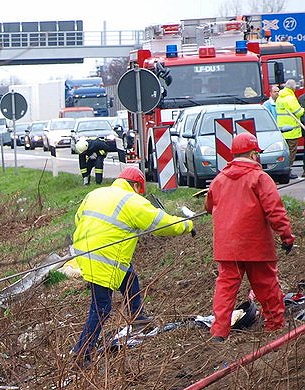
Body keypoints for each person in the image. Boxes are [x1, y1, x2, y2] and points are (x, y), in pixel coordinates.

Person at [70, 166, 195, 362]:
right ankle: (82, 351)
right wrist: (187, 225)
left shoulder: (96, 193)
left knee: (129, 276)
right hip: (104, 257)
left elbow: (79, 219)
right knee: (102, 307)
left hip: (84, 252)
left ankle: (138, 316)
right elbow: (161, 224)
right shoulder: (132, 201)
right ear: (136, 185)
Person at [204, 132, 295, 342]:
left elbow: (209, 206)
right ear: (254, 154)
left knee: (225, 290)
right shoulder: (260, 178)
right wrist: (286, 237)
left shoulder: (219, 180)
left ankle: (219, 332)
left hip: (227, 247)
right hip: (256, 245)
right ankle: (274, 327)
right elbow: (275, 211)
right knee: (267, 286)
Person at [275, 79, 304, 169]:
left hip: (283, 129)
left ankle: (285, 168)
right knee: (292, 151)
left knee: (286, 151)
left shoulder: (280, 98)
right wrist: (303, 109)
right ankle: (288, 169)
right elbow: (299, 112)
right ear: (293, 88)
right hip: (292, 130)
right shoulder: (290, 98)